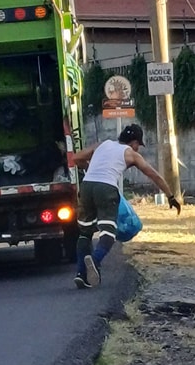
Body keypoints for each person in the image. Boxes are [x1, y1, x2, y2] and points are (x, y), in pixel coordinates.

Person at [71, 124, 180, 289]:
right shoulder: (131, 154)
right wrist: (170, 196)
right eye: (138, 145)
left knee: (85, 232)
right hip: (106, 188)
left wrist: (91, 168)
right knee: (109, 232)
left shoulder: (103, 144)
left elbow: (77, 158)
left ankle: (81, 274)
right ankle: (93, 261)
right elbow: (154, 175)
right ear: (134, 142)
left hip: (87, 186)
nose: (138, 148)